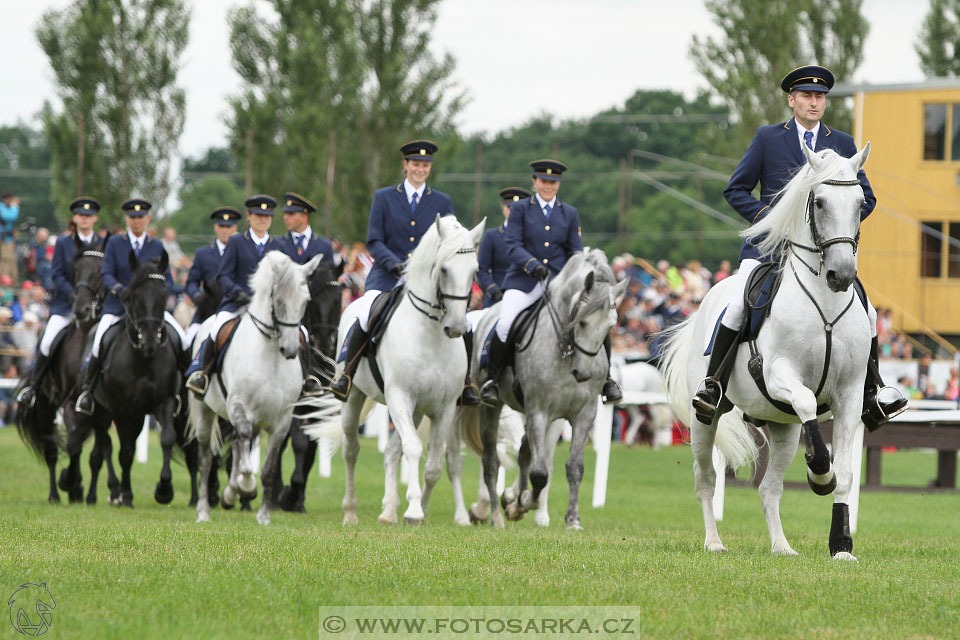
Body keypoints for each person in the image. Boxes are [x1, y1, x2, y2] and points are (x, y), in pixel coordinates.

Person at [691, 64, 907, 428]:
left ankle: (873, 393)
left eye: (819, 97)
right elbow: (735, 189)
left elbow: (866, 198)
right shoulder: (768, 138)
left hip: (822, 257)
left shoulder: (842, 144)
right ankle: (714, 386)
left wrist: (837, 230)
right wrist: (773, 219)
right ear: (792, 100)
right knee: (734, 305)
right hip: (769, 251)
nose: (813, 102)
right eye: (806, 96)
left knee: (867, 313)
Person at [329, 140, 478, 404]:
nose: (420, 169)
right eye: (416, 164)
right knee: (365, 314)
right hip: (388, 274)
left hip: (428, 282)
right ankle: (347, 373)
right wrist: (395, 264)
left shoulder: (442, 201)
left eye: (425, 165)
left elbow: (452, 241)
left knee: (461, 321)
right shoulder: (384, 197)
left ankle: (466, 383)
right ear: (405, 165)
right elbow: (374, 240)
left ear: (429, 168)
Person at [480, 159, 622, 404]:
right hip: (524, 281)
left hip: (560, 284)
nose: (548, 186)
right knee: (505, 323)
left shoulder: (569, 213)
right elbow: (512, 245)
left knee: (596, 316)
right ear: (535, 182)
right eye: (544, 181)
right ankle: (492, 379)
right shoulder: (520, 210)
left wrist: (577, 274)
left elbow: (575, 251)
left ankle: (607, 379)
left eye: (553, 182)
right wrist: (532, 265)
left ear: (558, 184)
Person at [76, 198, 184, 415]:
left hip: (151, 312)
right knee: (99, 341)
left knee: (181, 338)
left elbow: (168, 279)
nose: (137, 221)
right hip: (119, 306)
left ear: (148, 219)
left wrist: (160, 293)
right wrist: (117, 289)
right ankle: (88, 391)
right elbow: (106, 273)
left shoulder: (157, 245)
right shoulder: (116, 243)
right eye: (133, 218)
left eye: (140, 217)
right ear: (127, 219)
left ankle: (181, 392)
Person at [186, 195, 282, 395]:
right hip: (238, 303)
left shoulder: (278, 245)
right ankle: (201, 373)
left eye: (267, 216)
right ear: (249, 216)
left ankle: (306, 378)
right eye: (258, 215)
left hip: (269, 307)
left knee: (301, 333)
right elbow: (223, 276)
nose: (263, 219)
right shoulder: (237, 241)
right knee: (216, 328)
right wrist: (237, 293)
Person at [16, 197, 100, 407]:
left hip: (95, 309)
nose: (85, 219)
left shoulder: (102, 243)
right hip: (66, 306)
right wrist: (73, 294)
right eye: (81, 215)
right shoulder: (63, 242)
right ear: (75, 218)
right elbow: (57, 274)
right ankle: (32, 386)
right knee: (46, 341)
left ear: (95, 219)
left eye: (88, 216)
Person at [276, 191, 335, 396]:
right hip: (287, 311)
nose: (286, 217)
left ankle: (320, 377)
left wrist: (304, 293)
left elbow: (326, 277)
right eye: (286, 213)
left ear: (304, 216)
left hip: (315, 310)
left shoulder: (323, 245)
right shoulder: (279, 244)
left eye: (291, 214)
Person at [183, 206, 241, 347]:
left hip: (236, 310)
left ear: (235, 228)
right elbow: (191, 282)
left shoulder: (242, 252)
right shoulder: (203, 254)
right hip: (207, 311)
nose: (225, 230)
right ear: (215, 227)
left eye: (229, 226)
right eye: (221, 226)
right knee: (187, 343)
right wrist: (197, 296)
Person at [477, 187, 530, 307]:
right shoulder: (491, 236)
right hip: (497, 298)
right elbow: (482, 269)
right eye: (510, 208)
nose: (513, 212)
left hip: (526, 297)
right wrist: (493, 289)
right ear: (504, 209)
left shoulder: (532, 237)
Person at [0, 190, 20, 281]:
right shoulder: (1, 207)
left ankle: (10, 281)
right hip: (3, 240)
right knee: (6, 259)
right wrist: (15, 206)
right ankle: (4, 280)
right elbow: (10, 216)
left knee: (10, 260)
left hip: (6, 239)